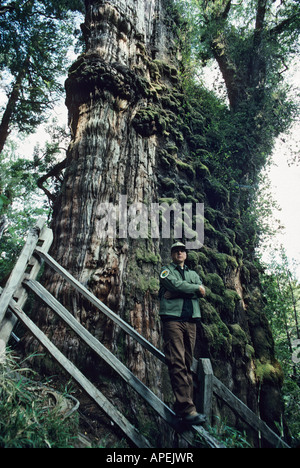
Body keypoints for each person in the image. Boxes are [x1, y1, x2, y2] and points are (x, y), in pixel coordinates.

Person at [159, 241, 206, 426]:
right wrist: (193, 289)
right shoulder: (166, 271)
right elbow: (177, 285)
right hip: (173, 320)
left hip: (191, 320)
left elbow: (203, 291)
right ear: (172, 254)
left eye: (182, 250)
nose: (179, 253)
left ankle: (182, 406)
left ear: (186, 254)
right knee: (177, 361)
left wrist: (179, 290)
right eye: (176, 251)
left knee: (187, 363)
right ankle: (188, 410)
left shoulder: (193, 273)